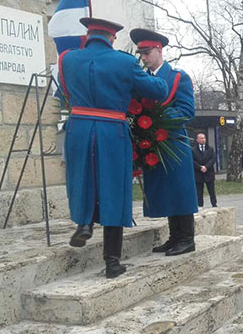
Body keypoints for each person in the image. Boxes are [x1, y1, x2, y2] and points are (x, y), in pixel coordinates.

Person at [59, 17, 168, 278]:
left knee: (81, 178)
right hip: (111, 129)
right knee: (113, 189)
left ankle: (84, 223)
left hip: (79, 127)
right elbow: (158, 91)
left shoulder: (67, 59)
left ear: (88, 34)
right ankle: (112, 262)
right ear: (112, 38)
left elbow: (65, 89)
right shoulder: (125, 62)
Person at [130, 28, 199, 256]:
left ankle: (187, 238)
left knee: (180, 190)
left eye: (147, 52)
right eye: (141, 53)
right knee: (167, 191)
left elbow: (187, 111)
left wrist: (157, 120)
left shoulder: (178, 77)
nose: (144, 57)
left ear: (158, 50)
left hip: (174, 142)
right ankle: (174, 237)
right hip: (153, 144)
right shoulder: (144, 79)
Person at [192, 132, 217, 208]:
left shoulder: (210, 149)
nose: (203, 140)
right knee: (199, 192)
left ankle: (214, 204)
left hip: (208, 172)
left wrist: (206, 167)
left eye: (204, 138)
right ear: (197, 140)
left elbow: (212, 159)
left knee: (211, 190)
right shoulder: (193, 150)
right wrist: (200, 167)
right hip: (199, 174)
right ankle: (200, 205)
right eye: (201, 138)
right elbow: (192, 161)